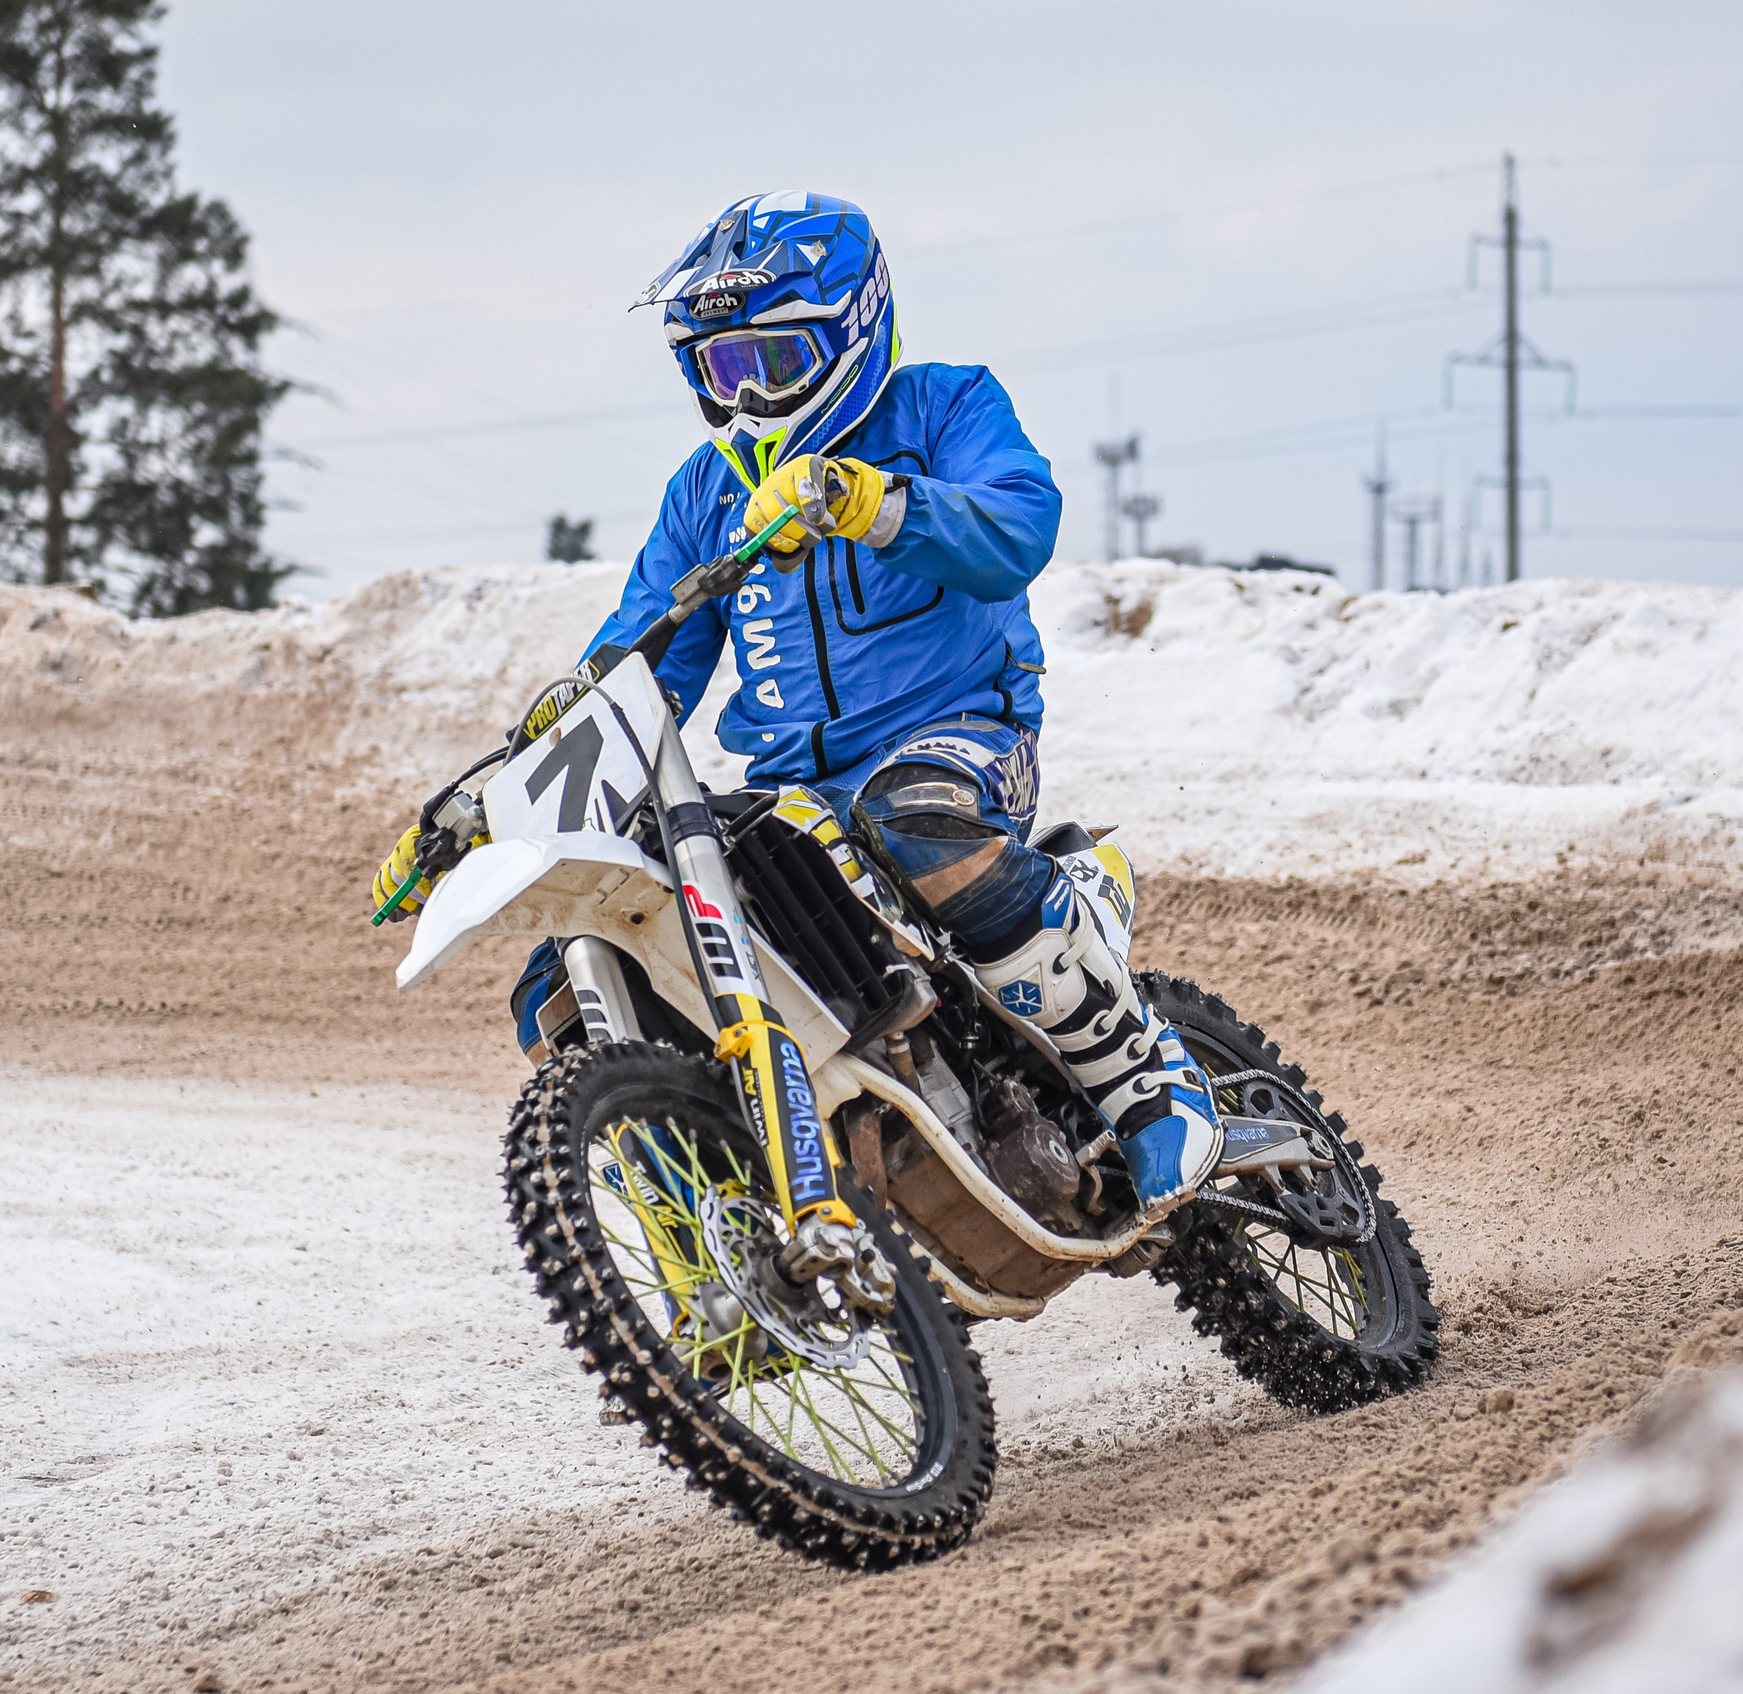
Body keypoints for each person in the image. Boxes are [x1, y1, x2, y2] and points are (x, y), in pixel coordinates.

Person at [375, 190, 1221, 1227]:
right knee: (581, 947)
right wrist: (487, 810)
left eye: (769, 361)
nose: (743, 396)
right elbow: (634, 669)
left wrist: (867, 500)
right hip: (795, 790)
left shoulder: (943, 407)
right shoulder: (704, 497)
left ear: (852, 328)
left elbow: (1018, 527)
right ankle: (712, 1198)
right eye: (716, 369)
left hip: (961, 732)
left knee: (913, 815)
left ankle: (1146, 1079)